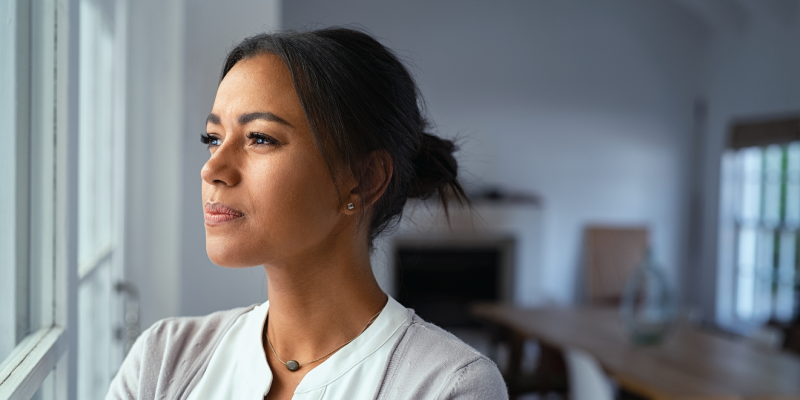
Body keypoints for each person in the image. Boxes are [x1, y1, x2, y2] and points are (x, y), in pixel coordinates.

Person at [106, 27, 508, 400]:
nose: (211, 169)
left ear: (364, 179)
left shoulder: (448, 386)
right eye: (213, 138)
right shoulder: (162, 361)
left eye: (259, 138)